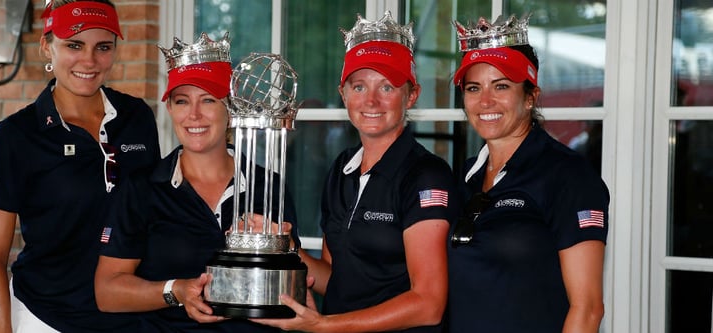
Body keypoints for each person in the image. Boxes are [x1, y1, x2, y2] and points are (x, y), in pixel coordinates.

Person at [253, 11, 461, 332]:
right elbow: (334, 278)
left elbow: (428, 304)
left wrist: (325, 325)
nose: (372, 101)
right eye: (359, 86)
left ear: (412, 94)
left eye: (387, 87)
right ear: (343, 94)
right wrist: (284, 247)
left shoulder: (425, 176)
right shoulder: (343, 168)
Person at [0, 1, 161, 332]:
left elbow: (155, 214)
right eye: (74, 45)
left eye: (103, 47)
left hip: (132, 318)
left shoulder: (137, 118)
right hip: (44, 318)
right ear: (47, 46)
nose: (89, 61)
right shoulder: (16, 136)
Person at [93, 32, 299, 332]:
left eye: (208, 100)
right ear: (170, 110)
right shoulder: (142, 188)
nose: (194, 115)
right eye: (182, 101)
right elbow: (107, 292)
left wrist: (287, 250)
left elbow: (292, 287)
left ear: (230, 109)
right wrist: (175, 291)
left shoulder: (267, 186)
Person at [447, 14, 610, 332]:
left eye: (502, 86)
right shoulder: (467, 175)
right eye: (473, 88)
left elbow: (588, 308)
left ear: (531, 96)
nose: (485, 101)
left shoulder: (568, 176)